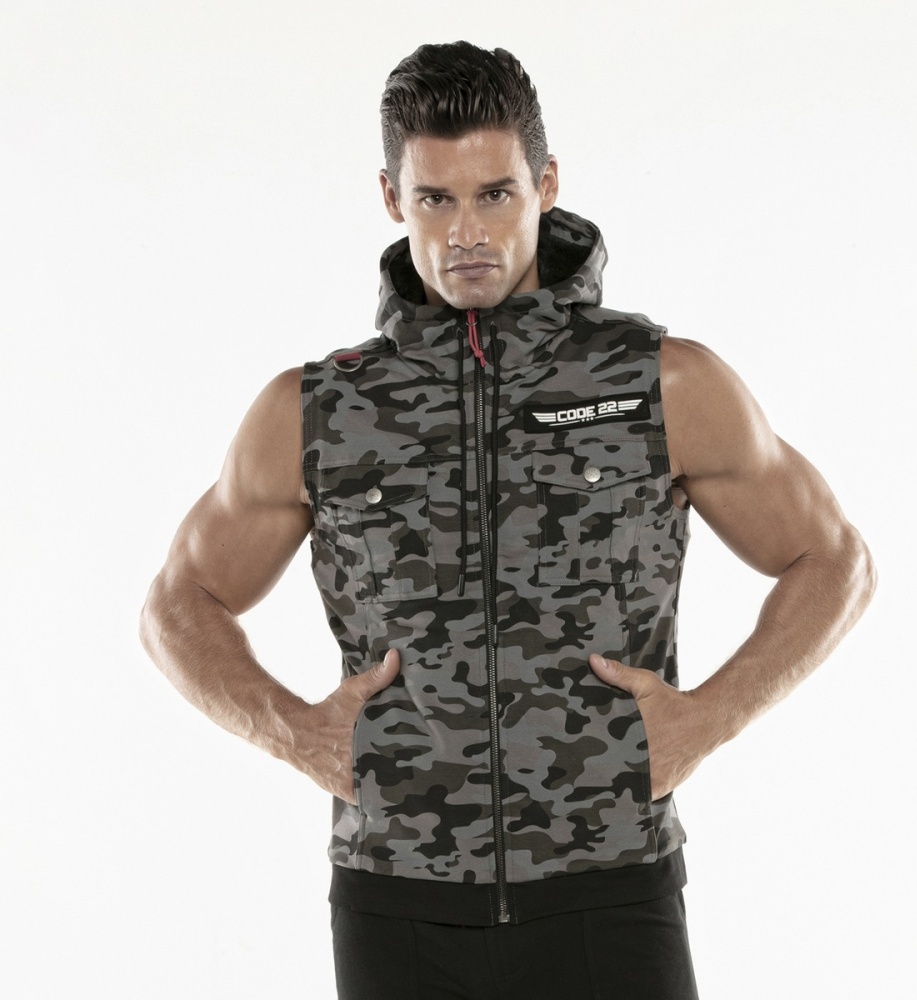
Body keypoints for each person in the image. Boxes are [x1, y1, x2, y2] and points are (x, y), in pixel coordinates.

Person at [140, 40, 876, 1000]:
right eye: (435, 199)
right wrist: (293, 733)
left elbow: (834, 559)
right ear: (392, 198)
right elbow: (176, 605)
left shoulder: (661, 382)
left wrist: (709, 719)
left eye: (495, 194)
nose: (466, 233)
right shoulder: (319, 409)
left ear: (546, 184)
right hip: (398, 904)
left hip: (612, 890)